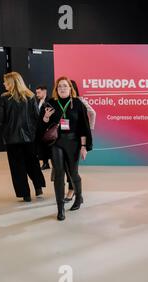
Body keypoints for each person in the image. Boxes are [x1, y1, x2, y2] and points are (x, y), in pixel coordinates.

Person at [38, 76, 93, 221]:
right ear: (56, 89)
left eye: (65, 86)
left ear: (70, 88)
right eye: (59, 86)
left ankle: (79, 197)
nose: (62, 88)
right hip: (56, 143)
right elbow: (41, 127)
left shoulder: (77, 104)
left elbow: (83, 127)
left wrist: (83, 146)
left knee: (73, 173)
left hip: (73, 143)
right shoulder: (50, 103)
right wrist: (45, 118)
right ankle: (60, 207)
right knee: (59, 175)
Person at [0, 72, 46, 202]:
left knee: (17, 166)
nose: (3, 84)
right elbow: (37, 117)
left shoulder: (4, 97)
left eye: (5, 82)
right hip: (29, 138)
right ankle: (38, 187)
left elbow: (1, 119)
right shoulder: (30, 96)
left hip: (12, 138)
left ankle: (25, 194)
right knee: (32, 163)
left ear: (11, 82)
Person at [64, 80, 96, 202]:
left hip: (76, 138)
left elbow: (92, 113)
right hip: (63, 138)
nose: (63, 88)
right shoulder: (61, 101)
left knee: (72, 167)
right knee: (65, 166)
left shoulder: (79, 101)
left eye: (66, 86)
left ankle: (72, 190)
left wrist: (89, 129)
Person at [35, 85, 51, 170]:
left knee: (47, 146)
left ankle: (47, 163)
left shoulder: (49, 101)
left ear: (44, 91)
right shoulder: (36, 101)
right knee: (41, 146)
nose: (37, 94)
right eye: (36, 92)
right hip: (39, 128)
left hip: (47, 128)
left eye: (38, 92)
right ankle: (45, 163)